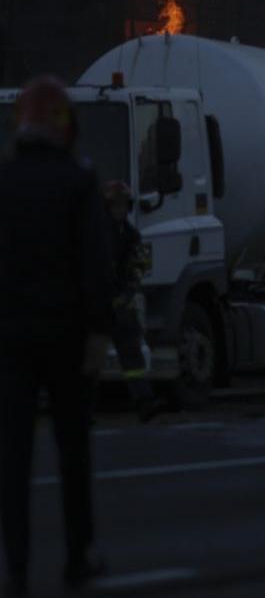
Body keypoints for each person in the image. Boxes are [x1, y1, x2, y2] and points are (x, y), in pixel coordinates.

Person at [0, 77, 113, 595]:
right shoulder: (79, 181)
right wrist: (98, 330)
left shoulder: (4, 180)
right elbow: (96, 262)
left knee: (13, 455)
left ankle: (17, 564)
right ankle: (77, 556)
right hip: (67, 334)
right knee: (73, 451)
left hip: (11, 337)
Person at [102, 180, 169, 423]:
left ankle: (144, 401)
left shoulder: (130, 234)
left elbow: (138, 266)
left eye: (123, 206)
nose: (119, 210)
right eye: (115, 206)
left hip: (120, 303)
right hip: (97, 304)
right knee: (87, 357)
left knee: (132, 353)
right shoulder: (97, 234)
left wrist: (128, 293)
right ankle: (80, 410)